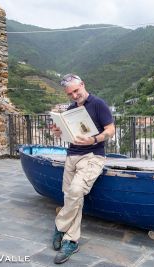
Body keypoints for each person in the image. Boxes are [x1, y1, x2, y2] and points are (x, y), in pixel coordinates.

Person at [51, 73, 115, 264]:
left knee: (76, 191)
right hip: (72, 156)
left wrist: (94, 139)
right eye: (70, 93)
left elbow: (111, 130)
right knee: (70, 196)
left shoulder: (98, 104)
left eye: (76, 91)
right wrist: (58, 132)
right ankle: (71, 241)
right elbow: (69, 134)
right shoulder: (70, 109)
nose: (74, 96)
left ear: (83, 85)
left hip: (92, 156)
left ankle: (60, 227)